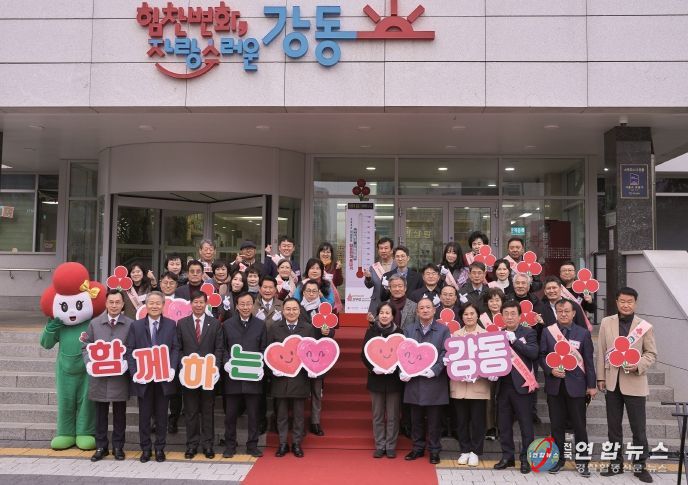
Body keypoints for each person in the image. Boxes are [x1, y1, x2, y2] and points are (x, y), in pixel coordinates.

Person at [597, 287, 657, 484]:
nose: (626, 305)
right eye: (622, 301)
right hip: (612, 383)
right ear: (616, 302)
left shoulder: (644, 326)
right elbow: (602, 351)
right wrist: (600, 378)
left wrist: (638, 365)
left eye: (630, 302)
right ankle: (616, 463)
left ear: (635, 303)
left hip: (635, 383)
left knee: (638, 428)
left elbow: (651, 353)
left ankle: (640, 466)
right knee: (613, 428)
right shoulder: (606, 322)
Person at [540, 298, 596, 477]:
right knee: (556, 426)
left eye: (567, 311)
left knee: (579, 426)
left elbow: (588, 361)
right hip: (555, 386)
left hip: (577, 386)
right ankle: (558, 460)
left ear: (573, 313)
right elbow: (542, 355)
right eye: (560, 311)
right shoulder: (548, 332)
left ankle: (583, 462)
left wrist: (592, 385)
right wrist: (550, 370)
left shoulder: (583, 333)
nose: (563, 314)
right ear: (556, 313)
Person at [126, 291, 180, 463]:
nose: (154, 306)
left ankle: (160, 448)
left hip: (164, 379)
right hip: (144, 378)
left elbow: (175, 348)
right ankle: (146, 449)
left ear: (163, 305)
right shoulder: (136, 326)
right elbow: (130, 350)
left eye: (158, 303)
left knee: (162, 415)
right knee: (144, 416)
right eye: (151, 303)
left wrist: (172, 368)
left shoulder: (171, 325)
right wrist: (135, 373)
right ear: (146, 305)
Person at [82, 289, 133, 462]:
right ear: (106, 303)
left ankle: (118, 446)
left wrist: (127, 362)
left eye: (118, 302)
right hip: (99, 377)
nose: (114, 305)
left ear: (123, 304)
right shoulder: (95, 323)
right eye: (111, 302)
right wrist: (89, 362)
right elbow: (85, 345)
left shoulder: (130, 324)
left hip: (120, 377)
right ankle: (101, 446)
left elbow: (133, 347)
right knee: (100, 414)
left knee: (120, 414)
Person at [402, 297, 450, 465]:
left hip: (434, 382)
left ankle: (435, 450)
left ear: (434, 310)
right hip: (414, 382)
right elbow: (402, 352)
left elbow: (446, 352)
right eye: (421, 308)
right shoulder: (409, 329)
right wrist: (403, 371)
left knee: (435, 421)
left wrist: (435, 370)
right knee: (416, 420)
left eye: (428, 307)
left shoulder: (443, 330)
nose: (425, 310)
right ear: (417, 311)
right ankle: (417, 448)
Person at [177, 291, 224, 460]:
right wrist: (184, 365)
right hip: (189, 375)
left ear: (206, 304)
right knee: (191, 411)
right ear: (191, 304)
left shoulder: (215, 324)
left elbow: (219, 348)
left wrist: (215, 368)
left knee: (207, 411)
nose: (198, 305)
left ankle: (208, 445)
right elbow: (178, 348)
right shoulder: (182, 323)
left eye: (201, 302)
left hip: (208, 375)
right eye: (195, 302)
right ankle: (191, 445)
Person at [493, 300, 538, 475]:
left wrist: (515, 341)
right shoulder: (497, 335)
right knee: (504, 425)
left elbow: (533, 353)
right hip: (503, 386)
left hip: (523, 387)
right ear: (501, 317)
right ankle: (507, 456)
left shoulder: (529, 332)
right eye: (506, 314)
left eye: (513, 314)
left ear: (520, 316)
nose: (510, 317)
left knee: (526, 425)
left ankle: (526, 459)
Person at [221, 292, 267, 458]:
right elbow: (223, 348)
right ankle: (230, 445)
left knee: (254, 415)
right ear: (237, 306)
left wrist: (261, 365)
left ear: (253, 305)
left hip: (253, 378)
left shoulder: (260, 325)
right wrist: (226, 363)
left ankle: (252, 445)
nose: (246, 307)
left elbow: (264, 348)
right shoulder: (227, 325)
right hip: (232, 378)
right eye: (242, 304)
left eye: (249, 304)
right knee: (230, 415)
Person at [269, 298, 315, 458]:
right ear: (283, 311)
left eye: (294, 309)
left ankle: (296, 443)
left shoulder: (308, 328)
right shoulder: (275, 328)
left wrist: (312, 369)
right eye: (288, 309)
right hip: (280, 378)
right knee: (281, 414)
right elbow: (269, 352)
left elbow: (311, 353)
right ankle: (282, 443)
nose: (291, 312)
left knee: (298, 414)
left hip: (300, 378)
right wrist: (273, 369)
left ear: (299, 311)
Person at [451, 302, 492, 467]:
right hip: (459, 384)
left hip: (479, 384)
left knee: (477, 421)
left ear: (477, 316)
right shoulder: (455, 335)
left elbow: (489, 361)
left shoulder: (486, 335)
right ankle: (465, 450)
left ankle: (476, 451)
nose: (469, 317)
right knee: (461, 420)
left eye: (472, 314)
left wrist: (480, 373)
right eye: (466, 314)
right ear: (461, 317)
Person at [361, 302, 403, 459]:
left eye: (388, 313)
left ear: (393, 316)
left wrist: (395, 368)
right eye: (382, 313)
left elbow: (403, 355)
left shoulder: (399, 333)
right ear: (378, 315)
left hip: (393, 380)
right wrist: (373, 368)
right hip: (376, 379)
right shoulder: (371, 332)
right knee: (377, 415)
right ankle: (380, 445)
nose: (384, 315)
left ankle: (390, 446)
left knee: (393, 416)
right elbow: (364, 354)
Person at [480, 288, 506, 441]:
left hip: (508, 361)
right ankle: (490, 427)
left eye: (497, 300)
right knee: (489, 397)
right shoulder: (481, 319)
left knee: (504, 397)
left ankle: (503, 426)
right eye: (491, 300)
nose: (494, 303)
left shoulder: (508, 316)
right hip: (487, 362)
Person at [364, 237, 396, 321]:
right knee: (375, 327)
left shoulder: (397, 265)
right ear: (378, 251)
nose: (383, 251)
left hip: (394, 303)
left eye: (386, 248)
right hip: (377, 304)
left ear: (391, 250)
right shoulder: (374, 267)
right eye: (381, 248)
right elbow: (369, 285)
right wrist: (368, 278)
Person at [317, 241, 344, 312]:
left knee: (331, 318)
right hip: (316, 298)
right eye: (323, 251)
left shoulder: (335, 265)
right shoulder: (315, 264)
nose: (325, 254)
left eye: (328, 252)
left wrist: (338, 270)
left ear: (331, 254)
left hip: (331, 299)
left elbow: (338, 282)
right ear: (319, 253)